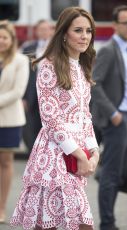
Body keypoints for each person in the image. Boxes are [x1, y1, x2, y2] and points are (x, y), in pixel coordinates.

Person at [10, 6, 100, 230]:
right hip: (53, 155)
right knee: (63, 224)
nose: (84, 36)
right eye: (78, 30)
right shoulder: (49, 67)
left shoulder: (82, 69)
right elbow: (50, 119)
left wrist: (94, 151)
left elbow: (85, 116)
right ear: (64, 34)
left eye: (88, 31)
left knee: (75, 223)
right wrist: (79, 153)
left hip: (76, 155)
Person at [91, 5, 127, 230]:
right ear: (115, 25)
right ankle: (107, 224)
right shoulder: (109, 50)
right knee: (111, 175)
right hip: (117, 120)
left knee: (120, 172)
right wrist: (113, 114)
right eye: (126, 22)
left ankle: (109, 221)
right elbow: (95, 84)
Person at [0, 20, 29, 223]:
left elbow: (18, 91)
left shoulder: (20, 60)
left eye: (4, 38)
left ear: (12, 40)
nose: (1, 41)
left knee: (5, 162)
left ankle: (0, 207)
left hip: (9, 120)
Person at [21, 19, 54, 154]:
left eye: (47, 29)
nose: (44, 32)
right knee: (31, 124)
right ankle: (34, 151)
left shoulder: (57, 47)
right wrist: (23, 97)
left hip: (50, 93)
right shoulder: (29, 48)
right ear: (36, 31)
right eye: (41, 29)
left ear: (51, 31)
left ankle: (48, 152)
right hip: (32, 93)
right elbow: (24, 73)